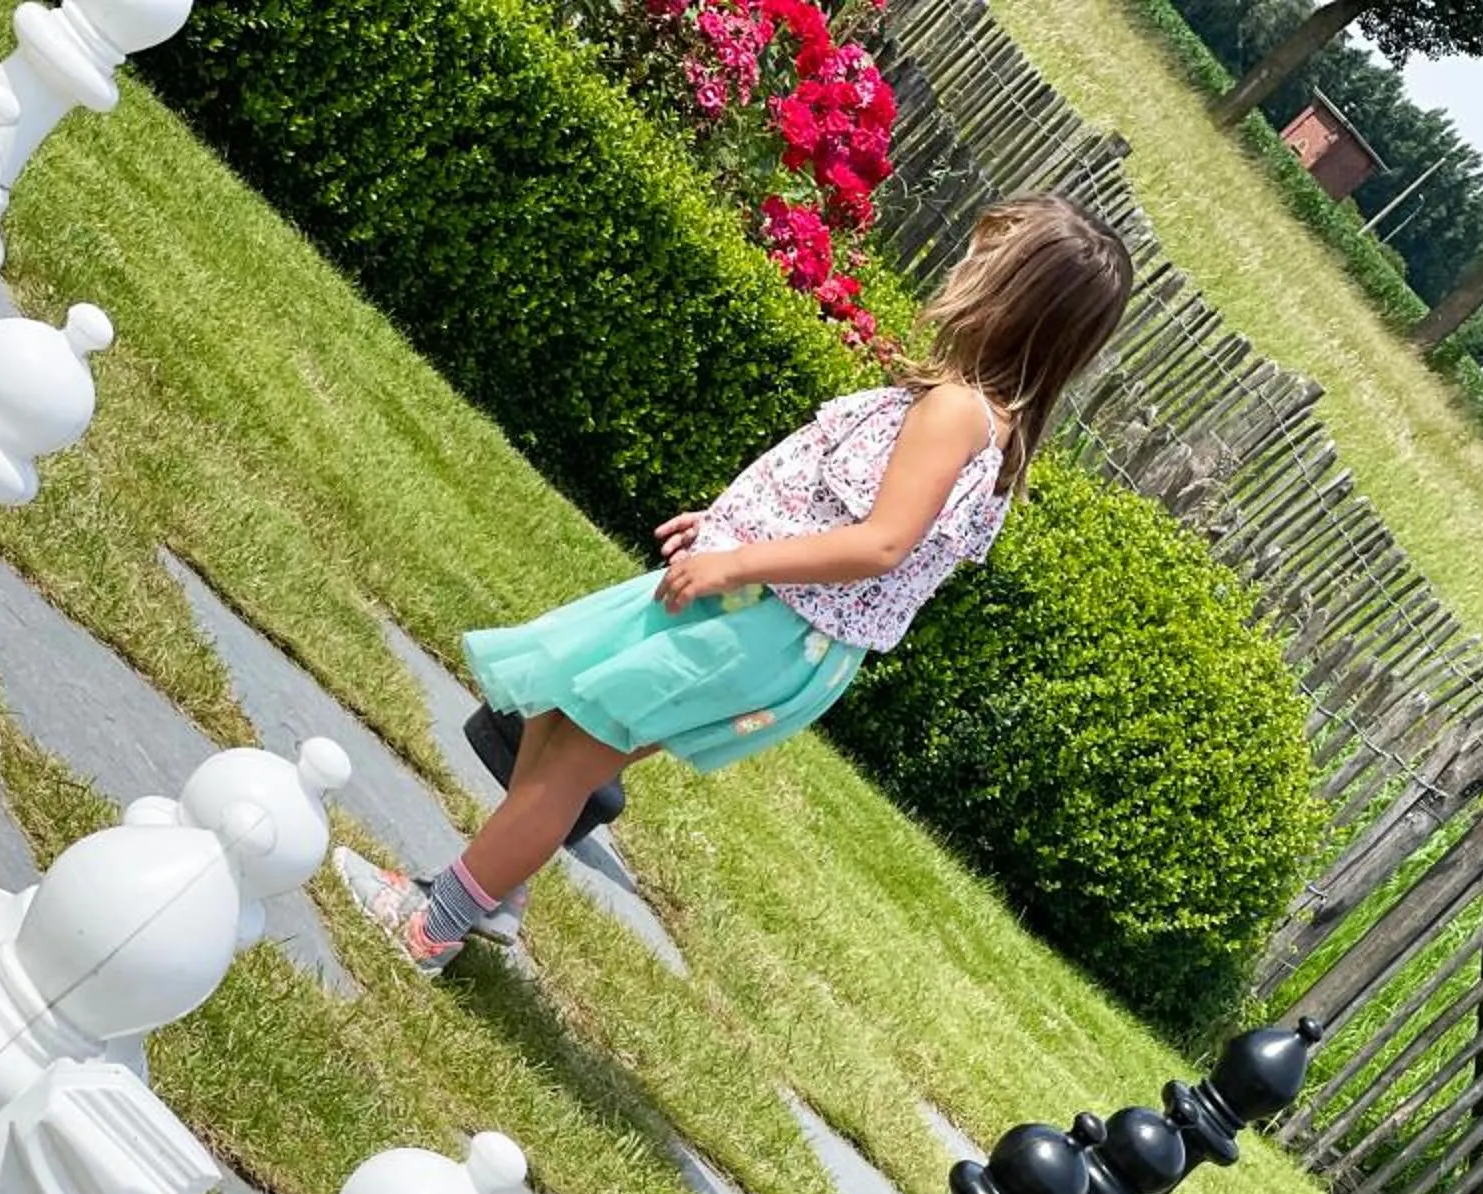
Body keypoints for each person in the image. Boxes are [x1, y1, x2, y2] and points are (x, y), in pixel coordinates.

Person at [335, 195, 1135, 971]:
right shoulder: (982, 424)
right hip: (764, 614)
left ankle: (429, 926)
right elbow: (821, 501)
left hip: (759, 615)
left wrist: (734, 562)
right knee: (560, 721)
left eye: (982, 258)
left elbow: (881, 542)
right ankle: (493, 894)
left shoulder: (957, 412)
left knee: (575, 755)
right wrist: (723, 530)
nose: (960, 267)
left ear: (1013, 298)